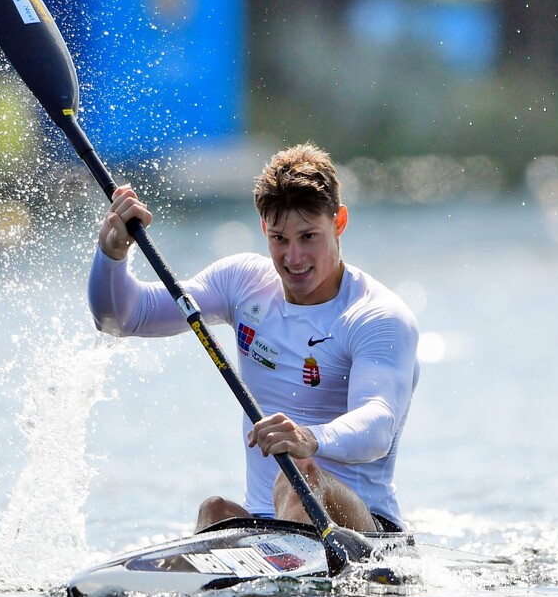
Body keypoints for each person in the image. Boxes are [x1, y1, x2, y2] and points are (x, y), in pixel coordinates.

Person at [89, 143, 419, 533]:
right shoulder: (242, 283)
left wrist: (310, 438)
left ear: (339, 222)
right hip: (269, 524)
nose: (293, 258)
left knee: (302, 474)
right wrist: (112, 254)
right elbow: (121, 318)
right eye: (279, 239)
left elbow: (378, 424)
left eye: (308, 236)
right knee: (215, 511)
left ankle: (290, 560)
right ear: (264, 228)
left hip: (365, 529)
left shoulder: (376, 316)